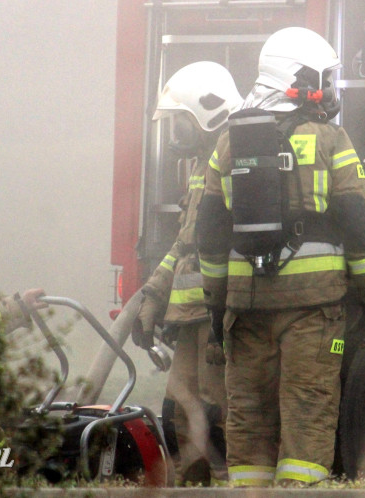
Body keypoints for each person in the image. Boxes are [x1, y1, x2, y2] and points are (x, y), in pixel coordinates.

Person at [195, 26, 365, 487]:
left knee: (249, 417)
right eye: (324, 77)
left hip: (245, 308)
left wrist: (216, 308)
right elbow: (357, 221)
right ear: (300, 78)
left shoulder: (229, 143)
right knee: (307, 411)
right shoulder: (330, 139)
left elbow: (209, 235)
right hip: (312, 307)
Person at [130, 60, 243, 485]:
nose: (178, 135)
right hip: (192, 316)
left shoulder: (233, 157)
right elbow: (184, 243)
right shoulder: (203, 164)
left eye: (183, 123)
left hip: (217, 314)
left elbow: (223, 243)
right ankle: (193, 489)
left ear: (207, 112)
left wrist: (222, 313)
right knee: (181, 410)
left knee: (220, 415)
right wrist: (154, 295)